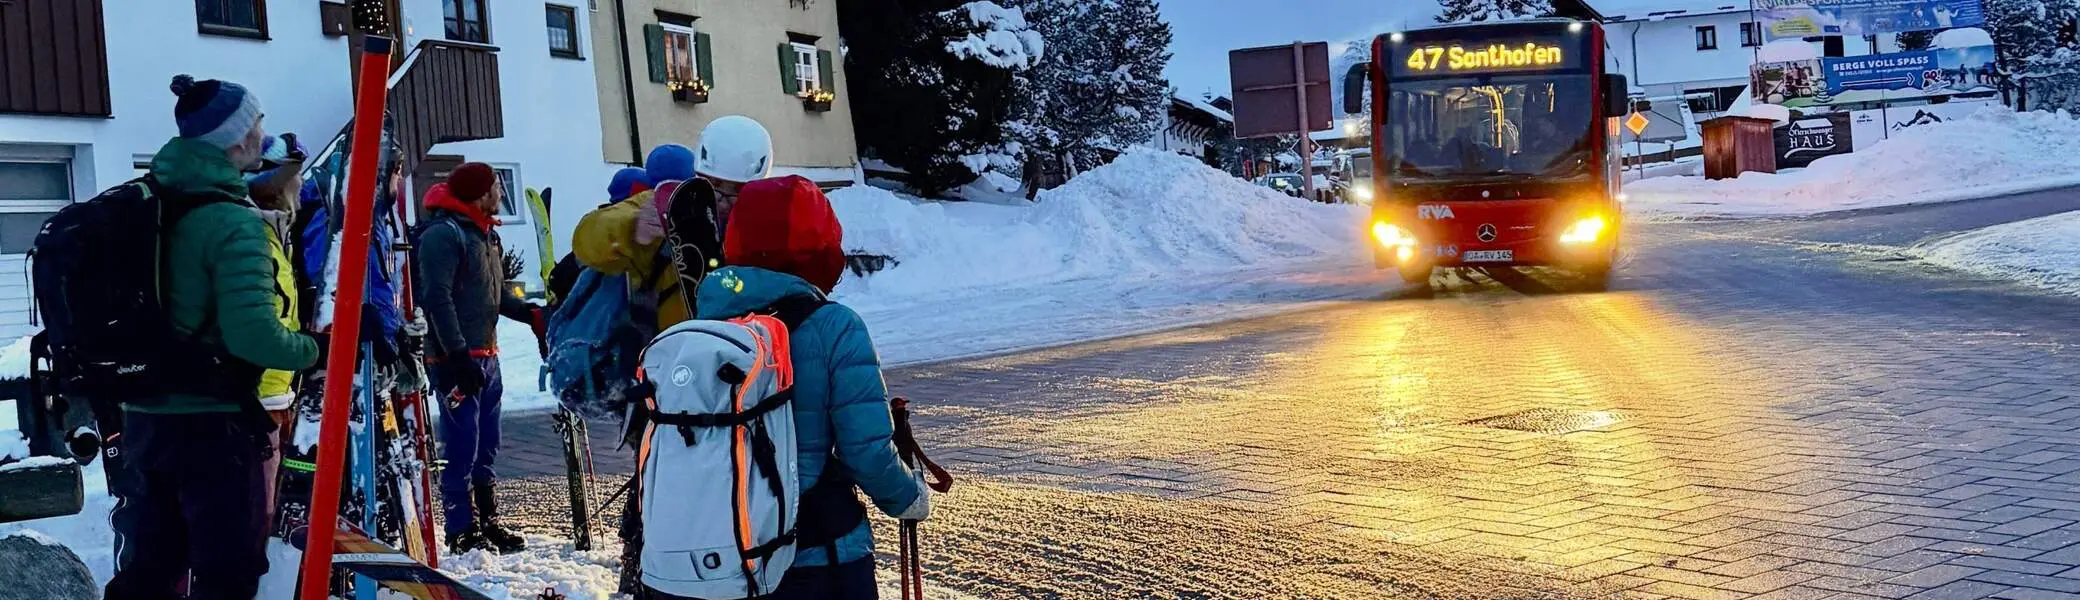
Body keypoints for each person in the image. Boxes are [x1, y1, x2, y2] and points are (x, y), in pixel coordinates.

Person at [104, 75, 322, 600]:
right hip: (213, 424)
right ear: (238, 138)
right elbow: (254, 336)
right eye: (258, 125)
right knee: (228, 569)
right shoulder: (232, 222)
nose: (263, 136)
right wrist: (314, 351)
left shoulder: (153, 202)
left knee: (154, 564)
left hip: (146, 416)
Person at [689, 175, 931, 599]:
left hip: (725, 552)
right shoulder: (835, 326)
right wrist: (907, 496)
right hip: (820, 554)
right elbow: (866, 451)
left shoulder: (703, 326)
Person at [414, 162, 541, 554]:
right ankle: (459, 527)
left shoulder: (485, 235)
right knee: (462, 442)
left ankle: (488, 521)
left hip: (487, 354)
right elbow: (437, 298)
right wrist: (456, 356)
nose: (501, 192)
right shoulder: (444, 235)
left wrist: (532, 312)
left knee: (488, 442)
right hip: (456, 360)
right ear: (481, 193)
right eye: (496, 186)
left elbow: (495, 294)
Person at [571, 116, 774, 331]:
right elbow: (586, 241)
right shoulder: (668, 204)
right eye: (714, 185)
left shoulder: (772, 224)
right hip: (669, 352)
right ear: (697, 174)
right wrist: (631, 226)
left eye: (738, 191)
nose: (723, 202)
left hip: (748, 353)